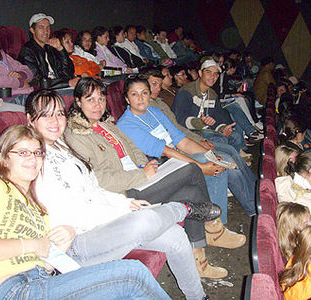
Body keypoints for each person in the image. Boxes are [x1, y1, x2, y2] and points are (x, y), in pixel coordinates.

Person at [26, 89, 213, 298]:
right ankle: (184, 208)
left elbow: (94, 188)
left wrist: (125, 204)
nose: (55, 121)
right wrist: (119, 211)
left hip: (101, 222)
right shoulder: (31, 159)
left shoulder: (63, 147)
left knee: (175, 235)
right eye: (46, 114)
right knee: (145, 221)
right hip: (77, 240)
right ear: (30, 120)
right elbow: (71, 211)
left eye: (59, 114)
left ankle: (198, 296)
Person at [65, 77, 228, 279]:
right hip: (124, 194)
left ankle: (199, 259)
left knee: (193, 192)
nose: (98, 105)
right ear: (78, 102)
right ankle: (213, 226)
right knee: (190, 169)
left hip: (142, 178)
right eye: (90, 100)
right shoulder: (75, 135)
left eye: (101, 98)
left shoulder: (106, 124)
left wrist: (145, 165)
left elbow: (132, 148)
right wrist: (141, 174)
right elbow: (97, 179)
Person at [0, 124, 171, 300]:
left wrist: (65, 241)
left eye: (37, 153)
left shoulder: (38, 208)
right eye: (23, 152)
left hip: (41, 280)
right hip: (12, 289)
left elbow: (47, 267)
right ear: (4, 156)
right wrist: (33, 245)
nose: (32, 159)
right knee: (133, 274)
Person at [116, 76, 247, 247]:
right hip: (159, 165)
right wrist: (201, 166)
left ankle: (217, 226)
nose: (140, 98)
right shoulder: (126, 123)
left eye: (144, 93)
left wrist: (209, 155)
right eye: (134, 94)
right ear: (127, 98)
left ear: (150, 95)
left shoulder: (155, 113)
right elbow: (165, 151)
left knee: (219, 163)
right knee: (207, 168)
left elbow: (181, 141)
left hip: (175, 156)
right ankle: (213, 228)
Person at [144, 68, 258, 222]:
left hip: (186, 142)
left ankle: (256, 192)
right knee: (225, 160)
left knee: (229, 152)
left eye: (158, 84)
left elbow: (177, 129)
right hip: (176, 152)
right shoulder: (146, 110)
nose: (158, 88)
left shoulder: (158, 104)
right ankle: (252, 208)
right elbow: (175, 132)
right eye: (154, 84)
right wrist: (198, 142)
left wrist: (200, 142)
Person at [171, 59, 245, 152]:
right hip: (190, 132)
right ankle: (228, 161)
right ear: (200, 73)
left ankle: (232, 160)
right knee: (224, 144)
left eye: (216, 74)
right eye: (208, 72)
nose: (212, 76)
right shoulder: (186, 91)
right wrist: (201, 122)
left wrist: (222, 129)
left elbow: (218, 117)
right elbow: (180, 119)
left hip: (207, 130)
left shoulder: (212, 94)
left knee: (236, 136)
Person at [18, 13, 77, 89]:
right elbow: (37, 81)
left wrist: (60, 49)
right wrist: (67, 83)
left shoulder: (50, 48)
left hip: (61, 87)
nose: (46, 31)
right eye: (41, 27)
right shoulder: (27, 51)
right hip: (43, 93)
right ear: (32, 30)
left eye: (48, 27)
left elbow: (69, 72)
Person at [0, 18, 33, 98]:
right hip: (7, 99)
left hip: (27, 93)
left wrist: (20, 74)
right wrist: (20, 82)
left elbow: (28, 71)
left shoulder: (1, 53)